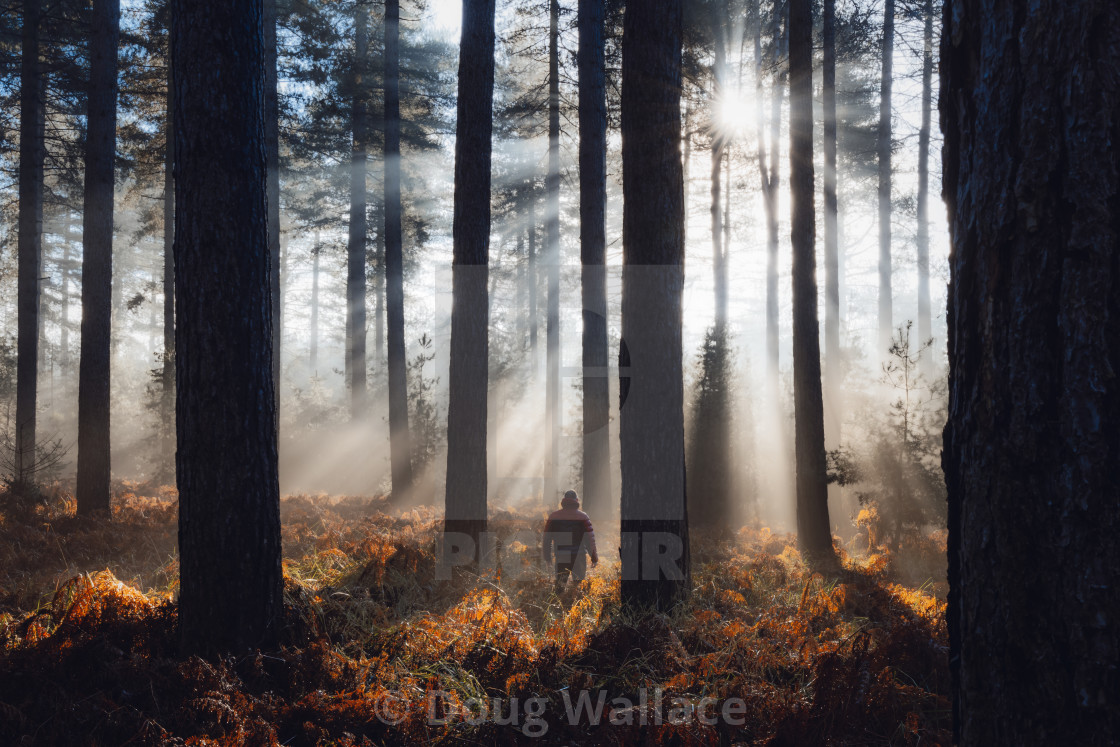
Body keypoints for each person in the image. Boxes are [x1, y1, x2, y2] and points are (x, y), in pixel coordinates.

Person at [541, 490, 599, 593]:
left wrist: (547, 559)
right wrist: (594, 557)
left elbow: (546, 539)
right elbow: (589, 539)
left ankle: (559, 607)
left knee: (560, 587)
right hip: (579, 556)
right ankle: (575, 607)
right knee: (578, 588)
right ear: (576, 500)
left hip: (561, 556)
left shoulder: (554, 516)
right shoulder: (583, 517)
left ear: (564, 501)